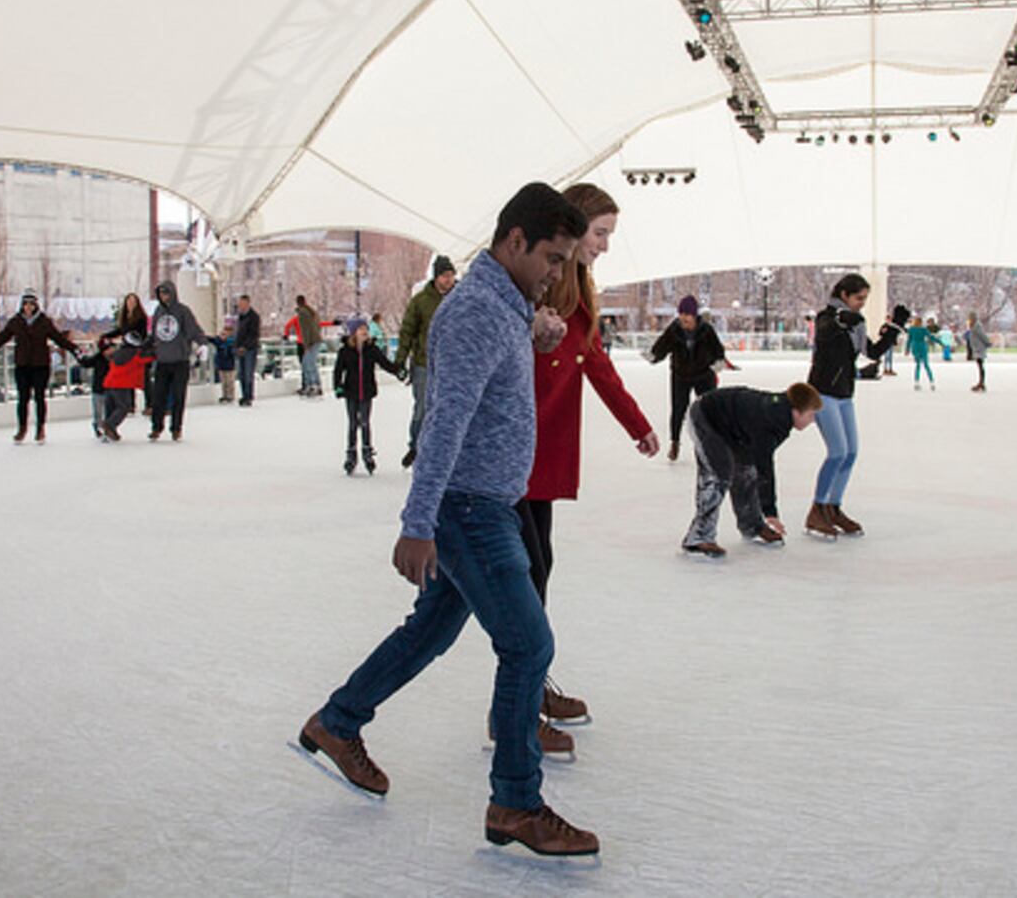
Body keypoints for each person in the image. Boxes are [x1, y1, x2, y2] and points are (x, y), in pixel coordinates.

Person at [298, 182, 600, 856]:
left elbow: (493, 355)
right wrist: (418, 521)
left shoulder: (503, 305)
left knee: (430, 631)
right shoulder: (473, 314)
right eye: (553, 258)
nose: (559, 275)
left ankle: (338, 720)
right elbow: (444, 422)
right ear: (514, 241)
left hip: (484, 501)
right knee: (528, 644)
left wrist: (535, 326)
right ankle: (516, 802)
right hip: (468, 505)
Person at [518, 182, 659, 734]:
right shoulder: (539, 285)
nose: (603, 245)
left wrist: (638, 424)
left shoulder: (577, 292)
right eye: (599, 233)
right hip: (516, 456)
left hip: (545, 457)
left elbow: (596, 363)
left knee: (538, 573)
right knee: (524, 585)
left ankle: (531, 686)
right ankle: (515, 708)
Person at [804, 276, 906, 539]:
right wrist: (841, 318)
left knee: (850, 453)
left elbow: (871, 351)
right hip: (822, 393)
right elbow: (825, 333)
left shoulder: (857, 321)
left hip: (845, 394)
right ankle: (817, 510)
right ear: (844, 295)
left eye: (864, 299)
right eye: (859, 298)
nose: (862, 304)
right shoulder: (826, 317)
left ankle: (833, 508)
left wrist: (895, 326)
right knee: (837, 452)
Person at [681, 383, 822, 558]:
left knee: (747, 471)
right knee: (718, 475)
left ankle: (752, 526)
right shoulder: (771, 422)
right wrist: (770, 511)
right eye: (811, 415)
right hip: (705, 416)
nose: (813, 420)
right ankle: (698, 537)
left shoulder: (782, 415)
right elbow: (765, 467)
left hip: (734, 427)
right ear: (796, 411)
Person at [0, 291, 81, 443]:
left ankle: (40, 428)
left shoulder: (44, 322)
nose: (28, 307)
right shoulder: (16, 322)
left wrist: (74, 349)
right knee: (23, 398)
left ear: (35, 306)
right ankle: (22, 428)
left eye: (31, 304)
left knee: (40, 398)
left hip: (40, 365)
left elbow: (58, 339)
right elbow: (2, 338)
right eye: (25, 304)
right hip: (22, 365)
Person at [394, 256, 456, 467]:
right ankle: (416, 446)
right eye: (445, 275)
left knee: (448, 408)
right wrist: (400, 360)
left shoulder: (460, 298)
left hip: (451, 364)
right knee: (422, 408)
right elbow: (407, 332)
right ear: (436, 277)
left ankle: (443, 450)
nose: (449, 280)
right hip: (424, 363)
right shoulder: (420, 301)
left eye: (451, 275)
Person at [647, 295, 726, 461]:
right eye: (681, 314)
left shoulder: (706, 330)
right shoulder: (674, 329)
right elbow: (662, 345)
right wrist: (654, 356)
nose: (683, 318)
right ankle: (674, 442)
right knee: (678, 410)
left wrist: (718, 362)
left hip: (704, 375)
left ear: (694, 315)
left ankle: (710, 444)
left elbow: (717, 349)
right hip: (680, 375)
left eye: (687, 314)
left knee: (708, 410)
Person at [333, 317, 402, 475]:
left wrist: (398, 370)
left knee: (364, 422)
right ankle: (351, 453)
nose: (365, 331)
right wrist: (338, 386)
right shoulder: (345, 351)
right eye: (361, 329)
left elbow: (385, 364)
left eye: (366, 329)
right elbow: (338, 370)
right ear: (353, 333)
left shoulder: (372, 349)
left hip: (367, 391)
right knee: (352, 423)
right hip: (350, 391)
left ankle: (366, 450)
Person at [146, 281, 208, 441]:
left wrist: (202, 343)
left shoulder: (182, 311)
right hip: (162, 361)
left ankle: (176, 428)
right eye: (160, 294)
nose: (163, 296)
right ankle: (156, 427)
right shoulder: (158, 311)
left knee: (178, 396)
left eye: (166, 293)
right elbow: (155, 335)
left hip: (180, 361)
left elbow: (194, 330)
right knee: (158, 396)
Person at [99, 332, 153, 442]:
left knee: (111, 408)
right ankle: (109, 425)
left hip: (109, 383)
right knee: (124, 407)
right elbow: (149, 357)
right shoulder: (136, 354)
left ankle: (109, 431)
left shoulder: (118, 353)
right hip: (122, 384)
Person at [76, 337, 114, 438]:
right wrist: (79, 355)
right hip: (98, 388)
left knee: (109, 409)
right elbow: (85, 363)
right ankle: (98, 426)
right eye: (106, 349)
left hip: (111, 388)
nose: (109, 351)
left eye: (110, 348)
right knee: (98, 410)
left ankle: (109, 427)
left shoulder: (115, 358)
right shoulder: (97, 358)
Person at [293, 294, 325, 397]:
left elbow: (305, 330)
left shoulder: (302, 313)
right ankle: (315, 385)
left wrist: (306, 344)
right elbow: (317, 326)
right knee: (310, 363)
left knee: (308, 364)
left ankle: (312, 385)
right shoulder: (311, 312)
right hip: (316, 339)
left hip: (311, 341)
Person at [234, 294, 261, 407]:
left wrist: (244, 346)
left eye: (242, 304)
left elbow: (253, 334)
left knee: (248, 372)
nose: (240, 306)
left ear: (247, 303)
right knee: (241, 373)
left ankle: (248, 395)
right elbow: (238, 333)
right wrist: (237, 346)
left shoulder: (254, 317)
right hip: (241, 348)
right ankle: (244, 394)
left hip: (250, 348)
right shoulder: (241, 317)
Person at [905, 316, 940, 390]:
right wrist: (940, 343)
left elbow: (909, 340)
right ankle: (931, 382)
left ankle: (916, 382)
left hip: (915, 347)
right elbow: (931, 337)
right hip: (922, 347)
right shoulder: (923, 329)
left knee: (917, 365)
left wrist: (907, 349)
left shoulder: (911, 329)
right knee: (926, 365)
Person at [209, 323, 238, 403]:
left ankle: (230, 395)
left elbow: (233, 352)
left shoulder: (232, 342)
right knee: (224, 381)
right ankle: (225, 395)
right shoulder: (219, 341)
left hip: (230, 365)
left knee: (229, 381)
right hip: (221, 364)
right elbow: (211, 339)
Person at [964, 312, 991, 392]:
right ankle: (981, 382)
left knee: (980, 366)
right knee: (980, 366)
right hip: (976, 348)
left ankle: (981, 383)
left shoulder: (977, 326)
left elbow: (982, 335)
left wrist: (988, 343)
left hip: (979, 348)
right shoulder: (973, 326)